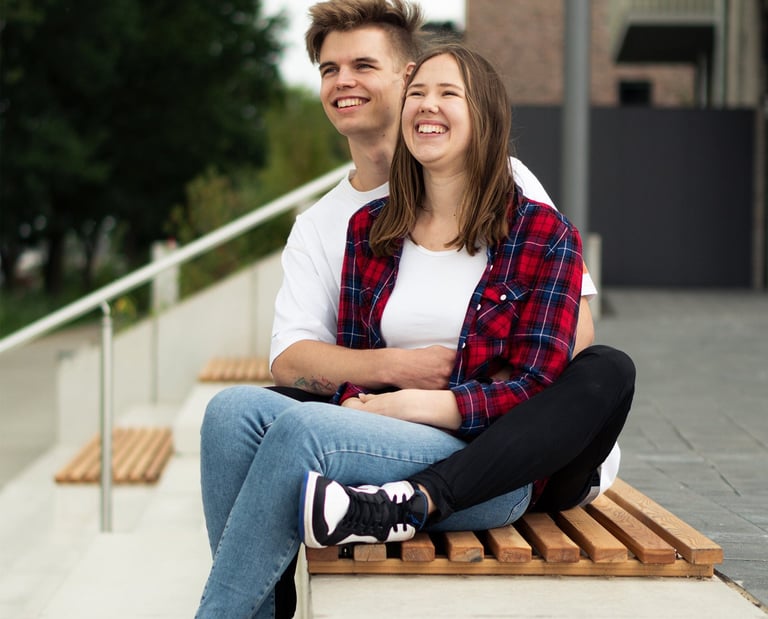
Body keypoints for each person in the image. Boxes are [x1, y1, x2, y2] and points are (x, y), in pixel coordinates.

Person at [196, 38, 586, 618]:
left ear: (485, 116)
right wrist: (379, 398)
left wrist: (414, 406)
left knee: (303, 431)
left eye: (448, 94)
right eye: (418, 94)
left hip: (484, 463)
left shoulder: (541, 234)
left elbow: (541, 385)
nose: (427, 106)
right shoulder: (371, 231)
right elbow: (354, 362)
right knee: (229, 415)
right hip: (378, 436)